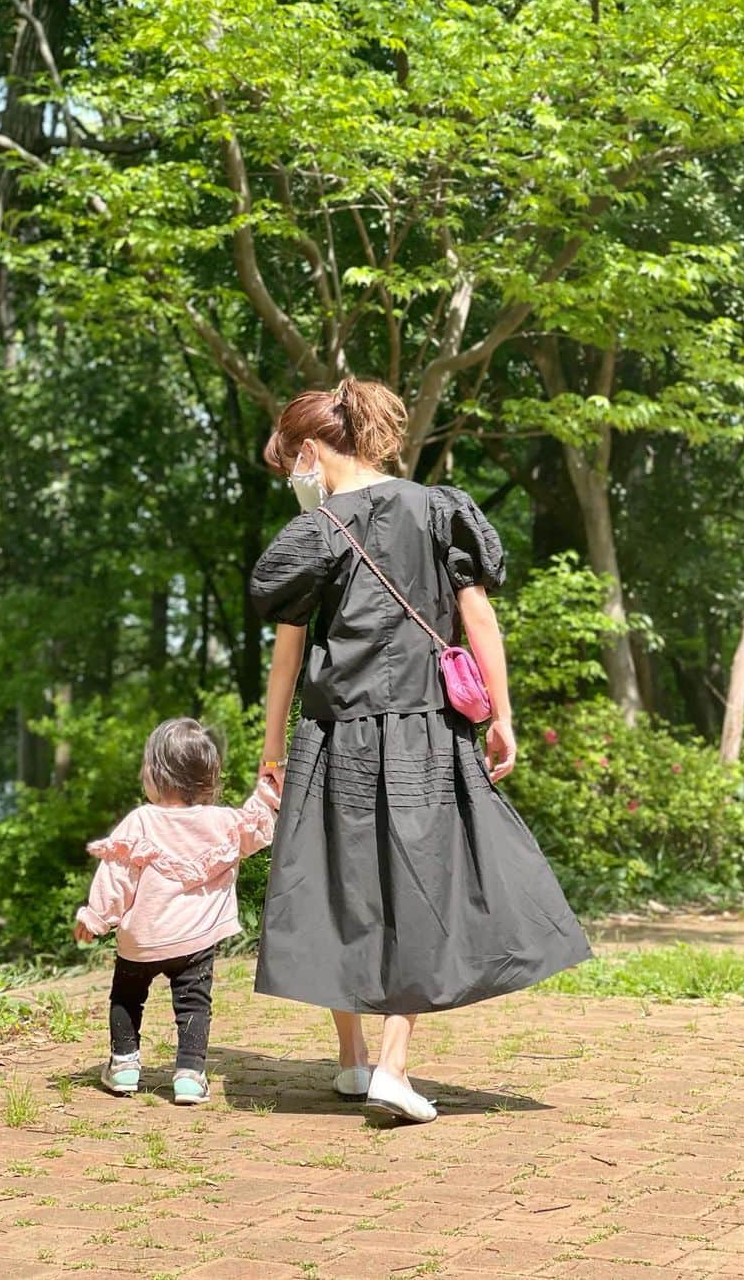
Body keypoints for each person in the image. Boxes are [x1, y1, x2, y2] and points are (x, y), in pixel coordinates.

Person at [250, 377, 591, 1124]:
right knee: (420, 884)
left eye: (292, 466)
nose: (294, 481)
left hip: (333, 734)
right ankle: (388, 1069)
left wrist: (271, 749)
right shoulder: (439, 511)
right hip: (424, 733)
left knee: (337, 885)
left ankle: (353, 1060)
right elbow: (480, 620)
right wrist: (503, 715)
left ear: (310, 452)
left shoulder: (316, 531)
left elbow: (287, 651)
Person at [73, 717, 278, 1103]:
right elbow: (258, 825)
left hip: (142, 939)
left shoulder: (141, 820)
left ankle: (124, 1066)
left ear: (155, 774)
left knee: (127, 997)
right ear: (209, 777)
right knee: (194, 1004)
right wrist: (268, 787)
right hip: (195, 941)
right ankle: (188, 1074)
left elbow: (115, 875)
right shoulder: (222, 822)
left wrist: (95, 917)